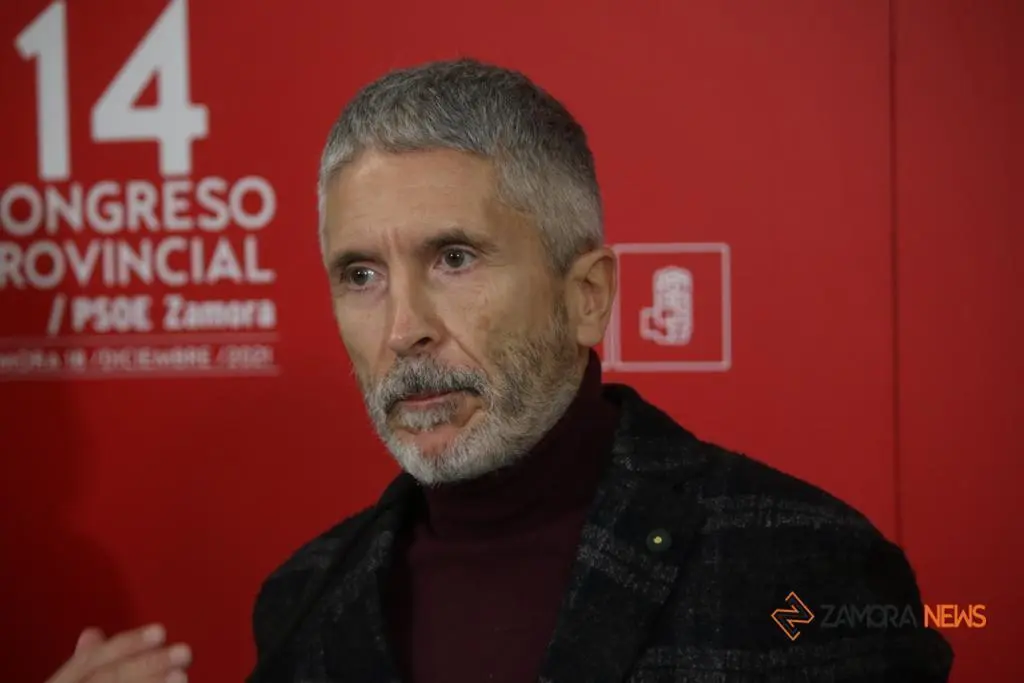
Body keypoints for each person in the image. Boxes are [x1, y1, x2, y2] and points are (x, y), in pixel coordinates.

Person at [45, 58, 953, 683]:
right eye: (361, 275)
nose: (404, 330)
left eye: (454, 258)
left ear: (587, 293)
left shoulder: (804, 567)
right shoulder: (301, 600)